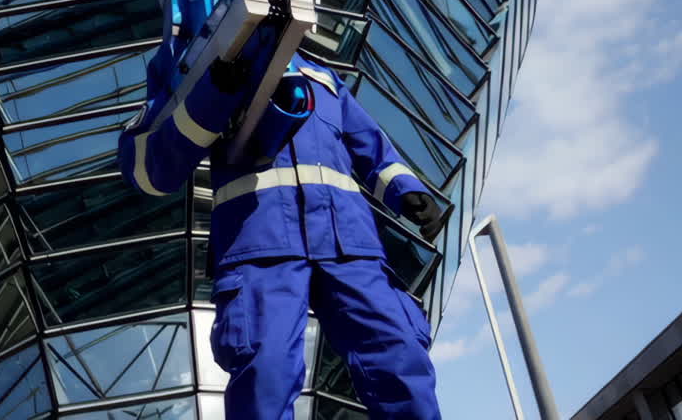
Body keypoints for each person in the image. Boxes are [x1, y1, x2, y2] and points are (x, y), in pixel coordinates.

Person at [119, 48, 444, 420]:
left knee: (400, 355)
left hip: (350, 244)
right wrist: (212, 92)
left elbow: (372, 146)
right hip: (260, 240)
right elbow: (146, 168)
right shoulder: (190, 60)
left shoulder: (323, 77)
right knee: (266, 373)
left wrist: (406, 190)